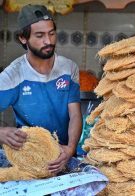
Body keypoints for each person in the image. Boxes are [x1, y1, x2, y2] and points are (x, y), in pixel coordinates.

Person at [0, 4, 82, 174]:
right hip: (30, 159)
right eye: (39, 35)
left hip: (63, 157)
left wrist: (70, 149)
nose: (48, 41)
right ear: (23, 38)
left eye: (51, 33)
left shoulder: (68, 68)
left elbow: (75, 114)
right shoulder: (12, 76)